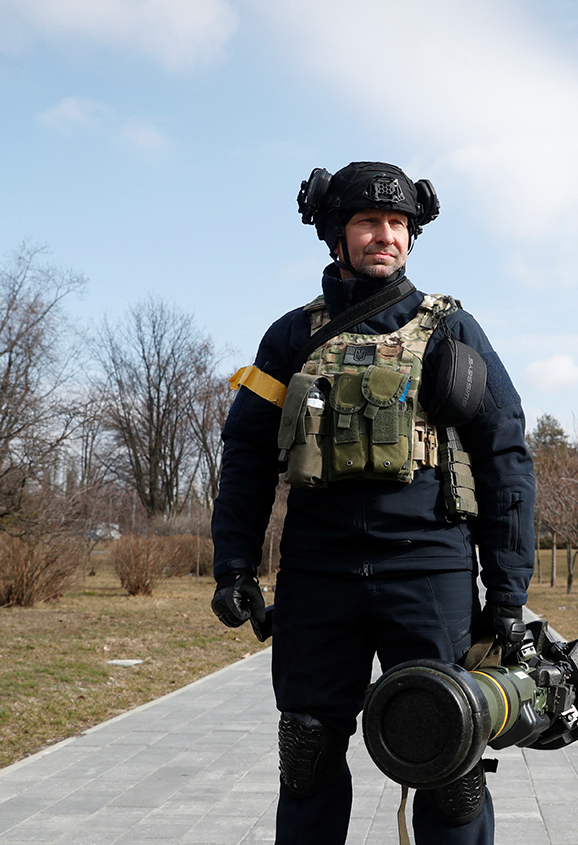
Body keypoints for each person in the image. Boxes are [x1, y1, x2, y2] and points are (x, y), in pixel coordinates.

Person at [210, 161, 536, 845]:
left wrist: (508, 593)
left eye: (397, 223)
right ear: (336, 234)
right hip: (317, 574)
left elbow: (505, 455)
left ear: (411, 236)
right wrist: (233, 563)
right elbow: (246, 454)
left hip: (428, 569)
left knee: (450, 756)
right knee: (307, 748)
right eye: (367, 221)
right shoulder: (290, 337)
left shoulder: (452, 330)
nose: (385, 235)